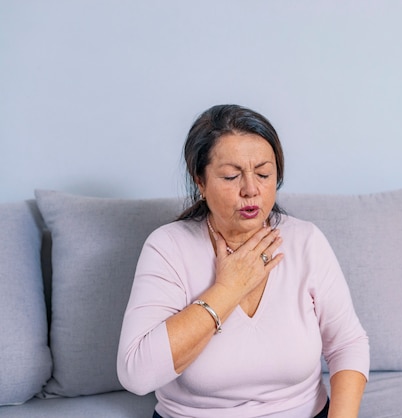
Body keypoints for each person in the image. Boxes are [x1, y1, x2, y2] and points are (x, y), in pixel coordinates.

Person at [117, 104, 369, 418]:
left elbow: (348, 343)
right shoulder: (168, 247)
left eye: (264, 174)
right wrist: (228, 288)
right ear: (200, 181)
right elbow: (136, 374)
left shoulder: (306, 241)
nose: (251, 189)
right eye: (231, 176)